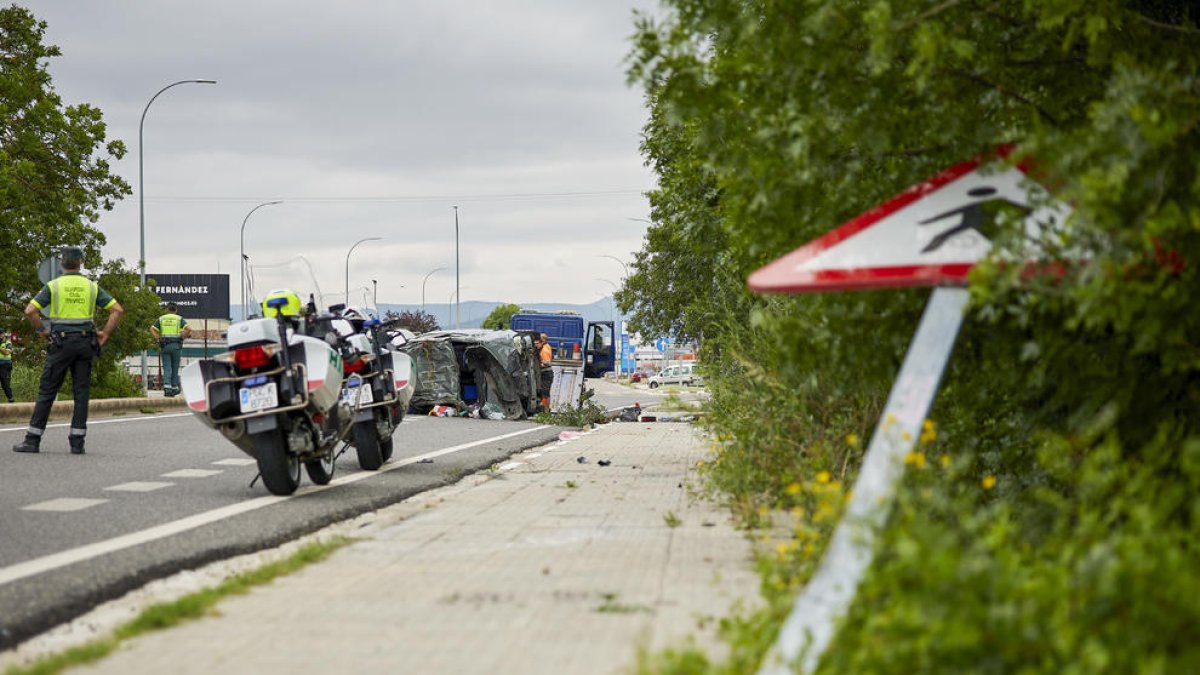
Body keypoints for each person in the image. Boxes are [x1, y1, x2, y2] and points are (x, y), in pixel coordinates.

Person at [13, 246, 124, 455]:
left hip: (61, 344)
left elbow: (30, 311)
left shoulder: (53, 286)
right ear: (80, 263)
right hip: (86, 343)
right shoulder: (92, 287)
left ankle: (32, 440)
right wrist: (105, 333)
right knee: (81, 393)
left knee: (47, 391)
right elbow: (117, 310)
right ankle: (77, 443)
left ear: (62, 263)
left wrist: (42, 331)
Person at [150, 302, 191, 397]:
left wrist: (158, 339)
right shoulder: (179, 319)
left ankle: (167, 388)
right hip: (176, 345)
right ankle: (174, 388)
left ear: (167, 309)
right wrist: (182, 337)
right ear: (176, 310)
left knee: (167, 366)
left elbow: (152, 329)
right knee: (175, 367)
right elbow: (189, 329)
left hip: (165, 346)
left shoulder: (162, 318)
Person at [535, 333, 554, 411]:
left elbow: (547, 362)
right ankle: (545, 409)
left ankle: (546, 410)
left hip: (546, 373)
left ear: (543, 340)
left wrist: (539, 365)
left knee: (545, 393)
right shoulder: (547, 346)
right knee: (545, 392)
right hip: (546, 373)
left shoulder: (545, 350)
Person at [0, 332, 15, 403]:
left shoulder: (8, 343)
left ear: (3, 334)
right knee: (4, 385)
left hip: (5, 366)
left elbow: (7, 353)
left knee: (5, 384)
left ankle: (11, 399)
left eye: (0, 333)